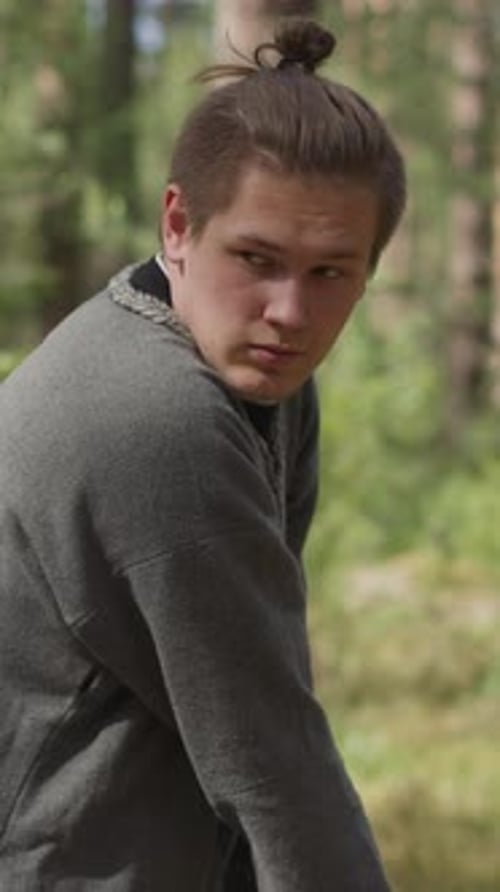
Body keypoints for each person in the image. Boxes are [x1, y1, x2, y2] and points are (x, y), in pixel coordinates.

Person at [0, 19, 406, 892]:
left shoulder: (261, 378)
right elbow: (274, 766)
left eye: (331, 273)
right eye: (256, 259)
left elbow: (256, 693)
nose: (290, 313)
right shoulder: (153, 418)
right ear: (179, 223)